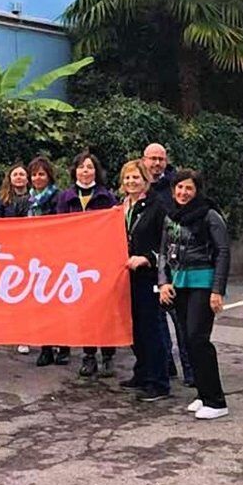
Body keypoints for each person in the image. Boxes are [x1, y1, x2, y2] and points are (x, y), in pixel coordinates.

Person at [158, 169, 231, 420]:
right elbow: (163, 253)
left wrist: (217, 290)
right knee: (188, 342)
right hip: (180, 283)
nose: (183, 192)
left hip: (203, 282)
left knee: (198, 338)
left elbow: (223, 252)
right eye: (179, 188)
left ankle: (217, 401)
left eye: (188, 188)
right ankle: (202, 394)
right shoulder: (171, 217)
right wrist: (163, 282)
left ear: (197, 190)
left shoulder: (210, 216)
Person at [55, 151, 120, 377]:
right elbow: (57, 227)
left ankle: (108, 356)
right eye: (82, 167)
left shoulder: (107, 197)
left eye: (90, 167)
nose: (85, 171)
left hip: (101, 262)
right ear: (75, 171)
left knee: (105, 311)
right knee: (86, 312)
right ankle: (89, 355)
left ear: (96, 171)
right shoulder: (65, 197)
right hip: (76, 263)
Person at [116, 159, 171, 402]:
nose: (131, 182)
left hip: (148, 275)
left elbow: (167, 242)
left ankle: (159, 382)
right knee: (134, 327)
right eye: (127, 178)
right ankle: (142, 372)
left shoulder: (157, 206)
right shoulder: (122, 206)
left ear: (145, 179)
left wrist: (147, 258)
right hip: (126, 275)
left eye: (135, 178)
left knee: (152, 328)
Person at [144, 142, 194, 387]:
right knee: (158, 321)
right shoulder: (139, 188)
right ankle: (166, 365)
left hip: (174, 263)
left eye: (160, 159)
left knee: (181, 319)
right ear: (144, 161)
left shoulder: (175, 186)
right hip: (148, 264)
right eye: (152, 159)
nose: (156, 163)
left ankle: (191, 370)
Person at [25, 156, 64, 367]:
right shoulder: (28, 200)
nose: (38, 178)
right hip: (33, 255)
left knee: (56, 302)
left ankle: (61, 345)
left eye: (41, 174)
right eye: (34, 174)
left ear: (48, 176)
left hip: (53, 254)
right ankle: (46, 347)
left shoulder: (58, 197)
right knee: (40, 303)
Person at [0, 163, 33, 354]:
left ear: (27, 178)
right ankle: (16, 333)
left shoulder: (35, 199)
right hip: (10, 253)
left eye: (22, 174)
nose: (18, 177)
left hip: (32, 251)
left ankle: (27, 334)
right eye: (15, 174)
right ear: (10, 178)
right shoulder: (2, 201)